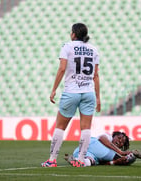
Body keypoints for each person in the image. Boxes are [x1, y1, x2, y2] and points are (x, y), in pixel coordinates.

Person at [41, 23, 101, 167]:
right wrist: (98, 97)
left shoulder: (67, 46)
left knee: (60, 126)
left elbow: (62, 69)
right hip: (89, 92)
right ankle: (81, 159)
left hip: (71, 92)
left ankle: (52, 160)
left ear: (73, 34)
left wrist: (54, 89)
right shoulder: (93, 49)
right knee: (86, 128)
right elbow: (96, 75)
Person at [64, 131, 141, 167]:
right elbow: (102, 138)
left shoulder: (110, 151)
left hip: (81, 152)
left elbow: (104, 162)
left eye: (122, 142)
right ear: (114, 135)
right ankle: (133, 154)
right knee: (124, 160)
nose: (120, 141)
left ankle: (74, 160)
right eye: (119, 138)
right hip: (92, 143)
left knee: (89, 162)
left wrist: (113, 163)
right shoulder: (108, 137)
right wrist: (120, 152)